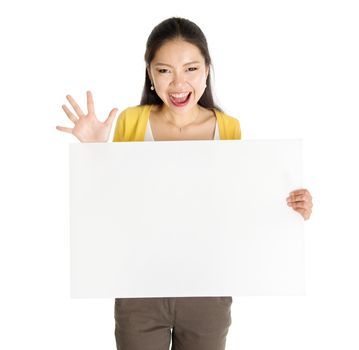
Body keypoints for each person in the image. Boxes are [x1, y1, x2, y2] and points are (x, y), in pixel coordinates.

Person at [56, 17, 313, 350]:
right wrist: (95, 154)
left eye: (190, 68)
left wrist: (289, 209)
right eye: (165, 71)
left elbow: (239, 209)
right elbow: (112, 207)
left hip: (207, 291)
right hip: (140, 290)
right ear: (150, 73)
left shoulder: (228, 128)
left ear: (207, 69)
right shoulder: (132, 122)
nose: (178, 83)